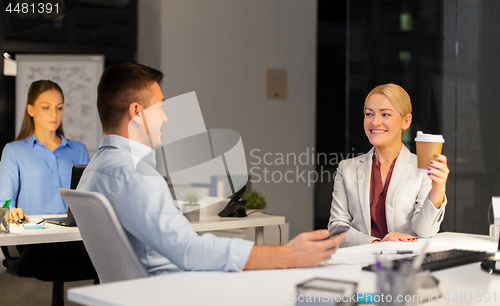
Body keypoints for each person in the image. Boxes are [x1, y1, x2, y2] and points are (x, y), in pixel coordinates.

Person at [78, 62, 346, 274]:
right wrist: (287, 255)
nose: (165, 117)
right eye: (160, 107)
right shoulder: (134, 174)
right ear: (137, 113)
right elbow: (188, 250)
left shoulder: (96, 170)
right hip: (169, 292)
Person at [328, 83, 449, 247]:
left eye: (385, 114)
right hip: (360, 261)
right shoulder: (346, 168)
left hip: (406, 262)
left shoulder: (422, 168)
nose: (375, 122)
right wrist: (376, 243)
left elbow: (424, 231)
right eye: (369, 114)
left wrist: (438, 189)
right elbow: (337, 228)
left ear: (406, 122)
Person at [0, 80, 90, 221]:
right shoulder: (14, 151)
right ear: (31, 110)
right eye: (46, 107)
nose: (54, 114)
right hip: (33, 233)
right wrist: (11, 213)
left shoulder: (79, 150)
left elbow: (90, 198)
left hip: (72, 234)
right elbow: (4, 203)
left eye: (59, 107)